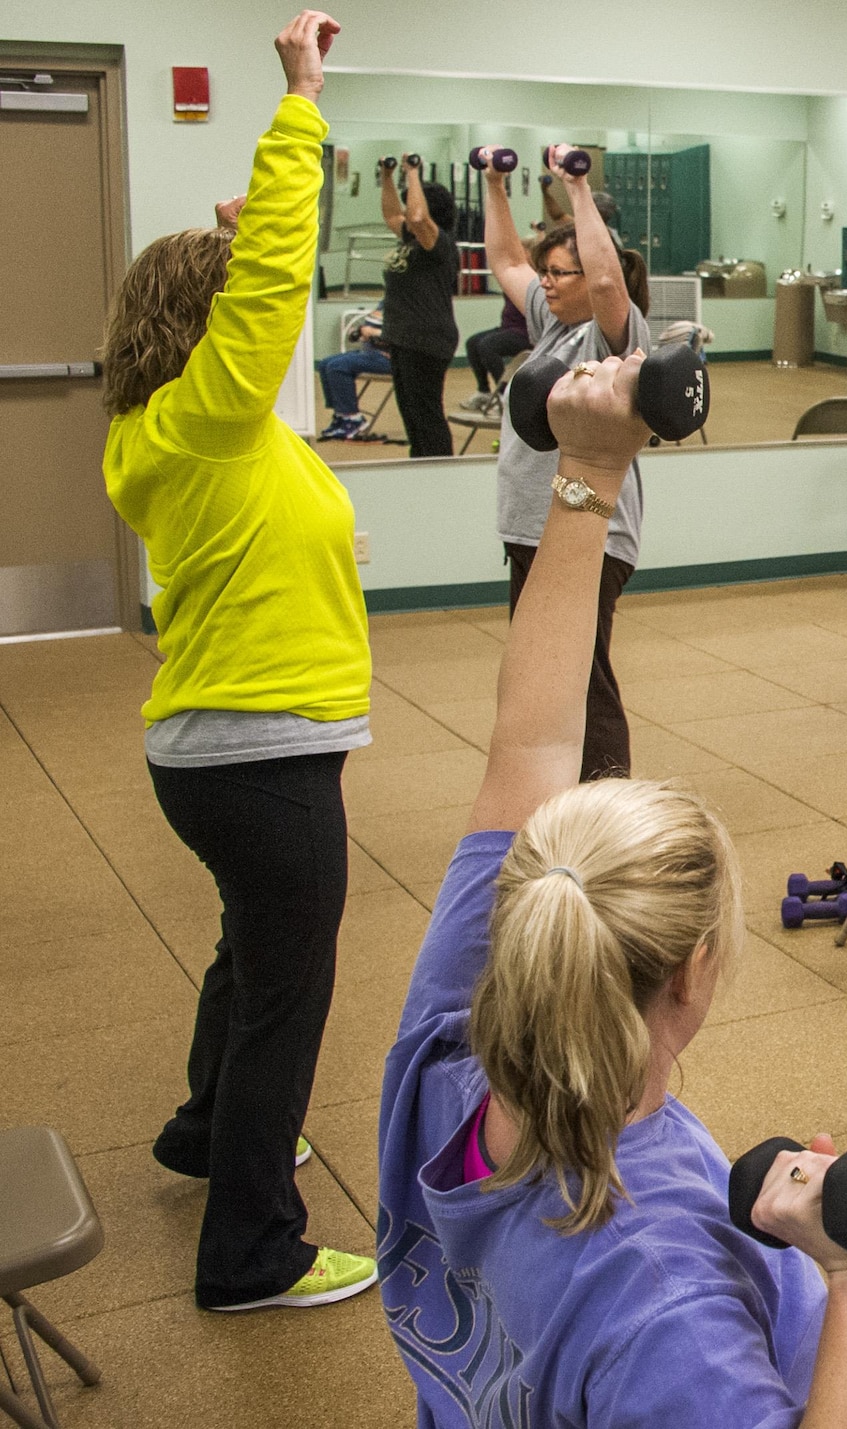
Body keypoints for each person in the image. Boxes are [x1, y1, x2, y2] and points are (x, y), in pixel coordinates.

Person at [375, 351, 847, 1429]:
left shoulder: (451, 1041)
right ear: (691, 974)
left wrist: (587, 469)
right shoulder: (662, 1288)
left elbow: (529, 737)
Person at [99, 8, 377, 1313]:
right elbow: (267, 290)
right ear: (207, 331)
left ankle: (211, 1130)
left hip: (222, 745)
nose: (258, 329)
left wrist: (251, 230)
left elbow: (264, 285)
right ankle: (253, 1248)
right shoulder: (207, 424)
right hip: (257, 749)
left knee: (249, 954)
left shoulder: (187, 431)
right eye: (236, 311)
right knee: (288, 995)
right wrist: (301, 98)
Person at [482, 143, 653, 780]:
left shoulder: (616, 333)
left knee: (584, 674)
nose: (547, 282)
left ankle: (609, 805)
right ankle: (562, 794)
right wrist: (495, 185)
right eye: (546, 272)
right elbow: (502, 258)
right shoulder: (550, 326)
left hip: (591, 527)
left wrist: (577, 189)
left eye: (561, 273)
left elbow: (607, 279)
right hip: (533, 526)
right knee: (542, 670)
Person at [377, 150, 460, 457]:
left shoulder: (438, 243)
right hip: (403, 338)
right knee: (411, 415)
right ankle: (420, 468)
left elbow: (416, 216)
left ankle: (439, 471)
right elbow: (392, 215)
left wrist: (413, 172)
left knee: (426, 415)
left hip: (426, 338)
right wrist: (387, 177)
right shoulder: (411, 239)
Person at [316, 305, 391, 440]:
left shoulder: (407, 301)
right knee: (324, 364)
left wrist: (375, 333)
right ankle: (341, 414)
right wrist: (362, 332)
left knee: (337, 366)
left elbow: (406, 333)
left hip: (389, 357)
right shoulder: (386, 301)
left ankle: (352, 418)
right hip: (370, 351)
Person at [460, 295, 530, 415]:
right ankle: (484, 391)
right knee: (472, 343)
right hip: (507, 328)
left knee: (488, 346)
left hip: (526, 334)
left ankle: (505, 397)